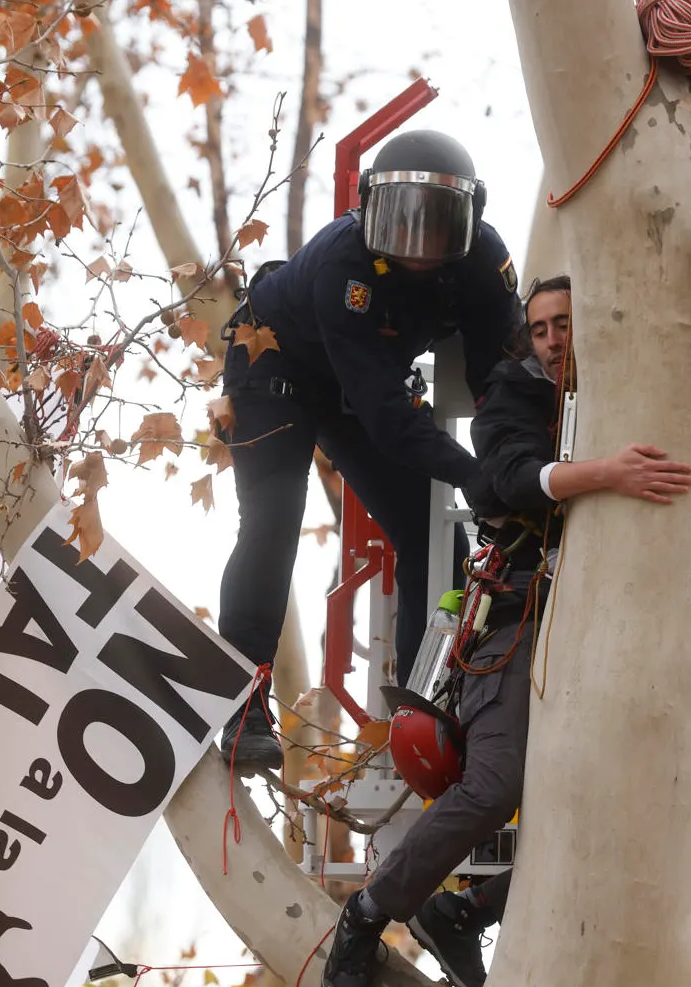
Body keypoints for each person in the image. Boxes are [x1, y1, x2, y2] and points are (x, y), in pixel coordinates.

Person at [318, 275, 691, 987]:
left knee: (638, 802)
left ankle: (469, 911)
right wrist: (607, 473)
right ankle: (367, 916)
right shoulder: (513, 393)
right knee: (497, 782)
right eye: (540, 327)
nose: (551, 341)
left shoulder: (652, 392)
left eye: (565, 325)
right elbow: (507, 479)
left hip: (629, 628)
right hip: (521, 619)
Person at [214, 130, 523, 775]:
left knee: (427, 533)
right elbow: (385, 413)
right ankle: (243, 713)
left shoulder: (484, 261)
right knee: (272, 526)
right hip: (275, 376)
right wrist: (472, 474)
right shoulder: (342, 264)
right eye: (400, 221)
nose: (417, 245)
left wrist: (510, 466)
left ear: (470, 220)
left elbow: (500, 373)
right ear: (367, 209)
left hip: (355, 386)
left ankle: (426, 709)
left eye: (435, 224)